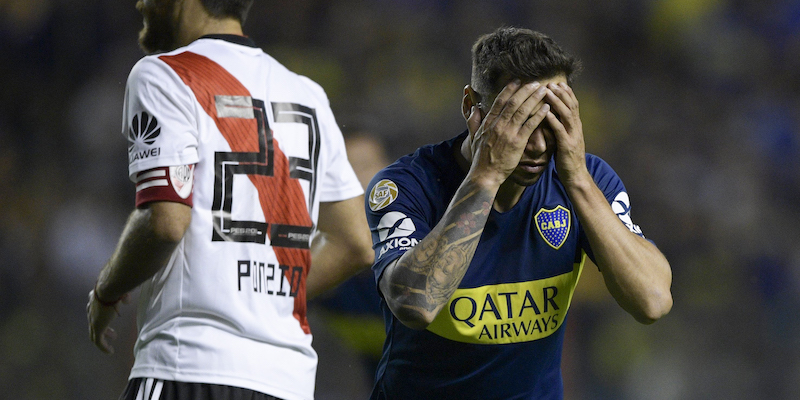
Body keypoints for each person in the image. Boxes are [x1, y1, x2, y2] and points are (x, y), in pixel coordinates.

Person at [86, 1, 374, 399]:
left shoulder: (164, 74)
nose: (140, 3)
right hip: (287, 381)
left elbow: (165, 222)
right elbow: (356, 242)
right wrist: (261, 301)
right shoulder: (309, 95)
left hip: (189, 366)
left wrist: (106, 291)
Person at [364, 27, 673, 399]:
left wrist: (576, 180)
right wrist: (487, 175)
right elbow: (415, 305)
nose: (540, 144)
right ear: (470, 107)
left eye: (552, 121)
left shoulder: (588, 181)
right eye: (519, 122)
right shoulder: (407, 185)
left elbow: (653, 301)